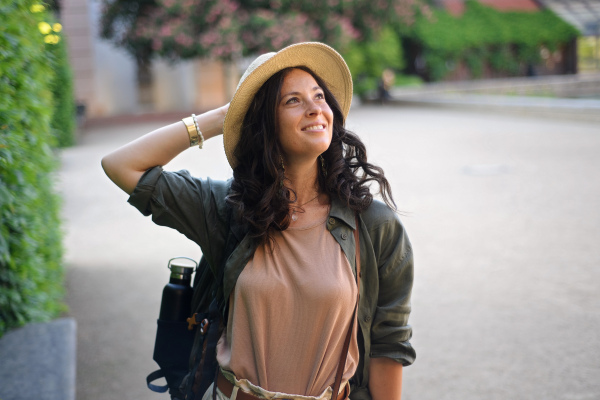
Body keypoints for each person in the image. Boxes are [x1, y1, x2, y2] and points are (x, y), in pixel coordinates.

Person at [102, 42, 415, 400]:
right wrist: (224, 117)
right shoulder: (227, 208)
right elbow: (120, 165)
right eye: (292, 101)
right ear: (265, 122)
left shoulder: (374, 225)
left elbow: (390, 343)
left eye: (319, 96)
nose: (316, 109)